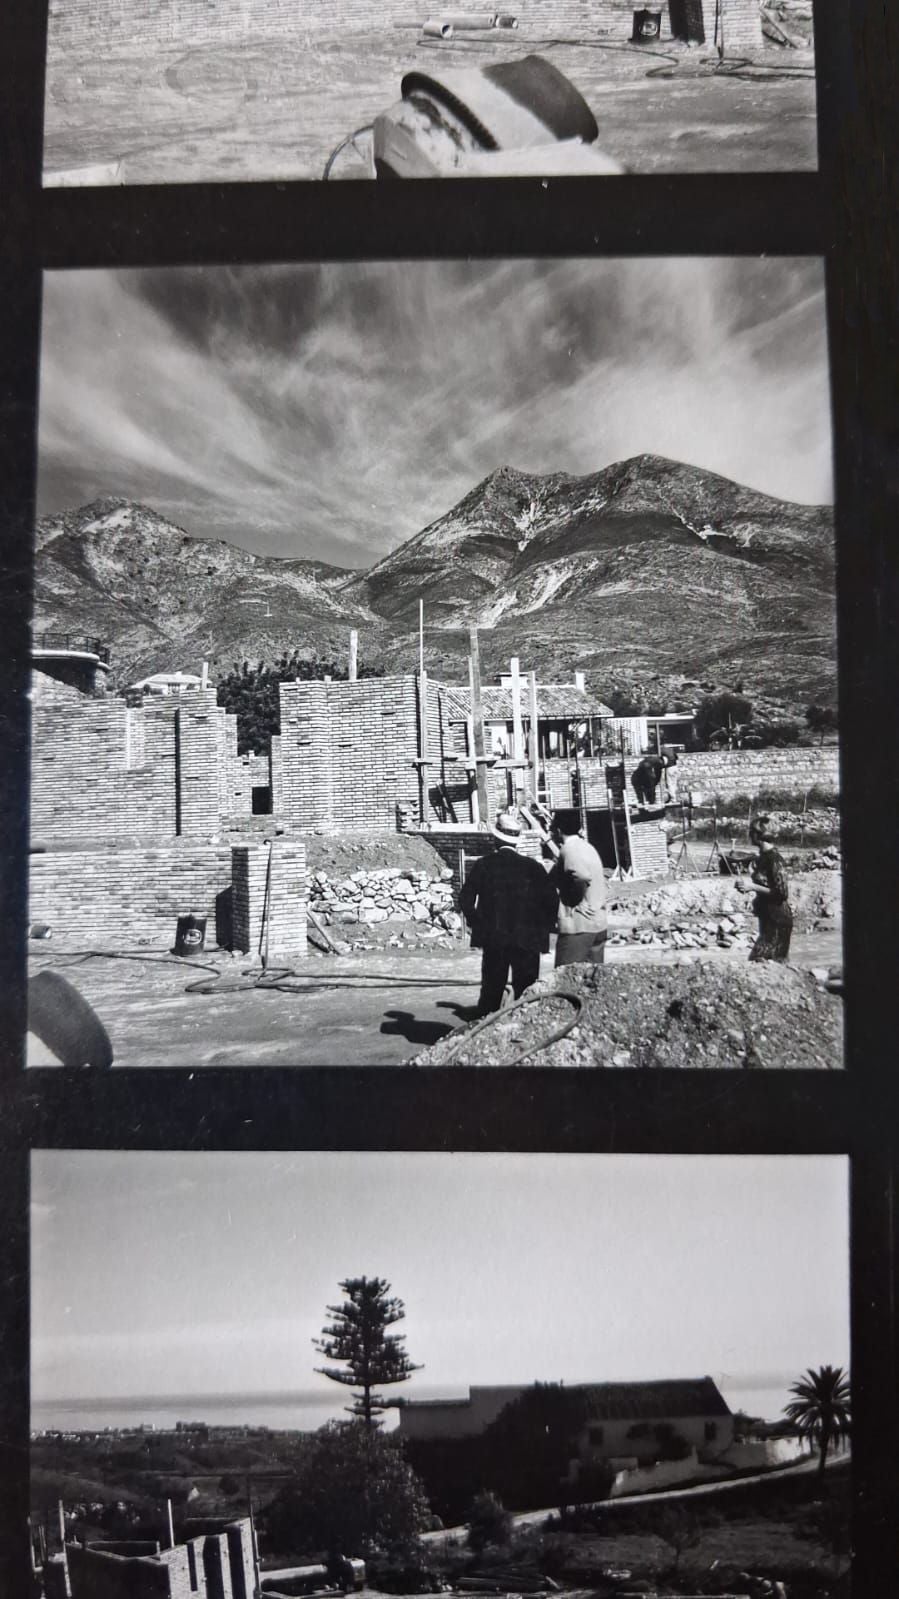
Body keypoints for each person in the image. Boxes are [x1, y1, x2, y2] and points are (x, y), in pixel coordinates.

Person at [459, 809, 559, 1016]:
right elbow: (551, 901)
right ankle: (525, 1028)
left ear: (496, 839)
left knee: (492, 990)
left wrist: (478, 924)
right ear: (517, 842)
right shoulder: (533, 867)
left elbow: (465, 900)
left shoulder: (483, 865)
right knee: (527, 991)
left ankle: (485, 1030)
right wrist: (543, 928)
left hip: (495, 940)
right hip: (527, 940)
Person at [550, 814, 608, 967]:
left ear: (559, 830)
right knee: (590, 980)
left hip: (578, 928)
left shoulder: (569, 850)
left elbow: (581, 876)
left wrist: (576, 900)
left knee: (565, 977)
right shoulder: (588, 847)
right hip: (597, 923)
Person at [736, 814, 793, 962]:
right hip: (768, 917)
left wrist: (752, 886)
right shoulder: (763, 857)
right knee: (766, 963)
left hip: (778, 919)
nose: (749, 835)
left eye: (751, 831)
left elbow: (781, 893)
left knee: (763, 962)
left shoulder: (774, 859)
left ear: (758, 835)